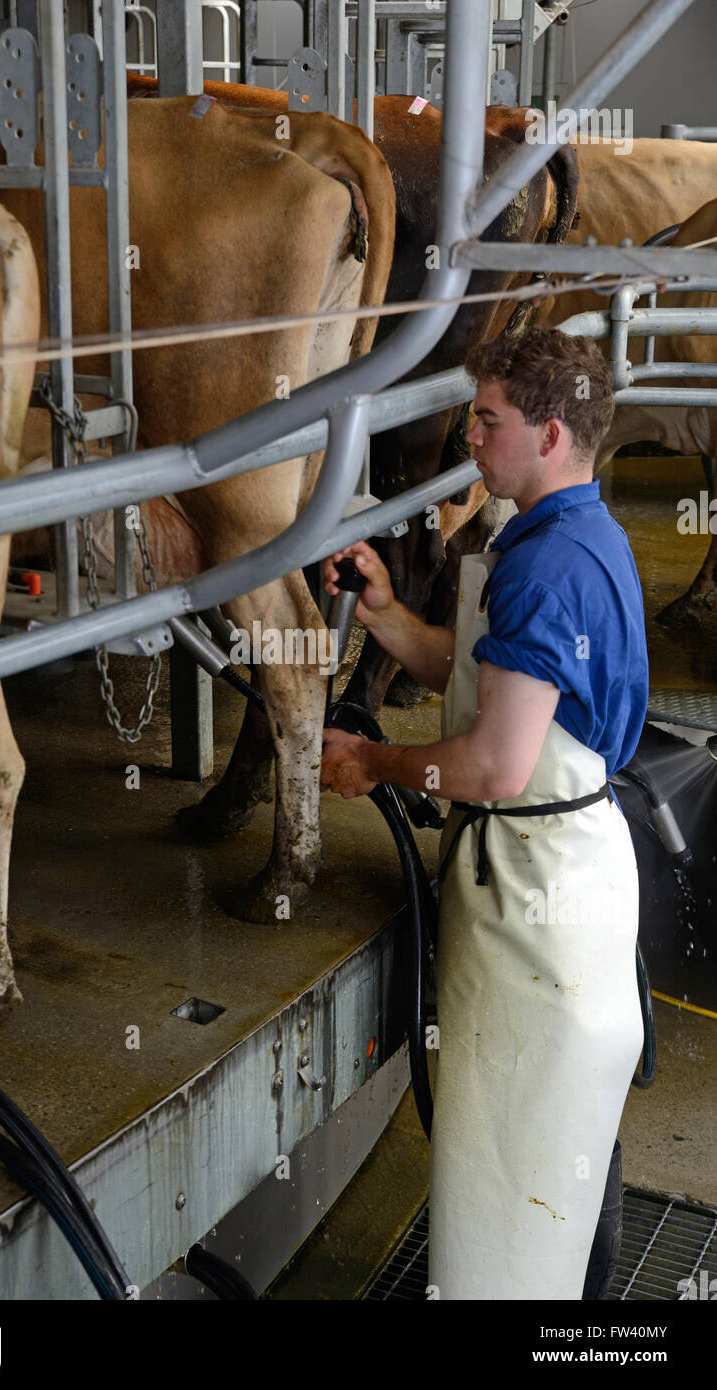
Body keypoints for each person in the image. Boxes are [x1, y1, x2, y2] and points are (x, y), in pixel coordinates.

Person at [320, 327, 649, 1300]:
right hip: (565, 872)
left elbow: (499, 763)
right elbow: (481, 685)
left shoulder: (546, 568)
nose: (470, 436)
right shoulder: (572, 531)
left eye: (489, 419)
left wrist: (372, 760)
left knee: (511, 1179)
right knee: (540, 1165)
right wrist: (385, 612)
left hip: (533, 899)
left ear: (550, 433)